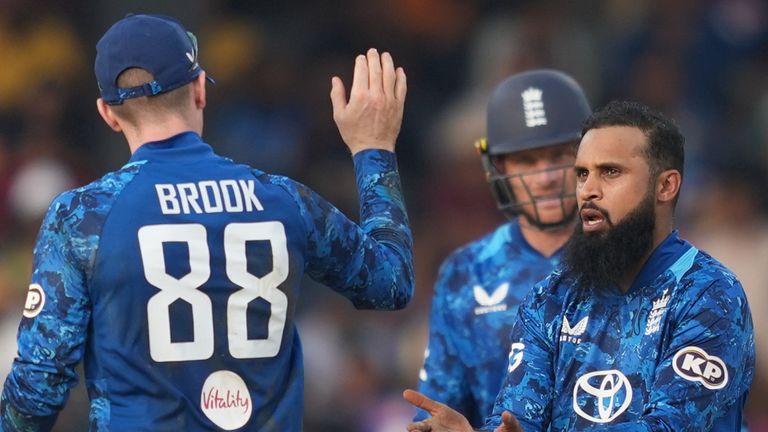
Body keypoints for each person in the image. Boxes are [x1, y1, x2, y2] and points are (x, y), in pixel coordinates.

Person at [0, 14, 412, 431]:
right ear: (199, 89)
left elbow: (40, 385)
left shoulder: (83, 218)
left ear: (107, 113)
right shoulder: (285, 200)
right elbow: (391, 283)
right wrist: (373, 148)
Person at [404, 100, 754, 431]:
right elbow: (517, 416)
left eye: (610, 172)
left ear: (666, 186)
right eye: (582, 174)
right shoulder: (552, 298)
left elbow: (669, 426)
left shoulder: (709, 295)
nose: (588, 190)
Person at [414, 70, 591, 427]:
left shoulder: (633, 256)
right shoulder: (467, 271)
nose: (545, 177)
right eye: (526, 160)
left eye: (559, 155)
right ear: (498, 166)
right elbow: (438, 408)